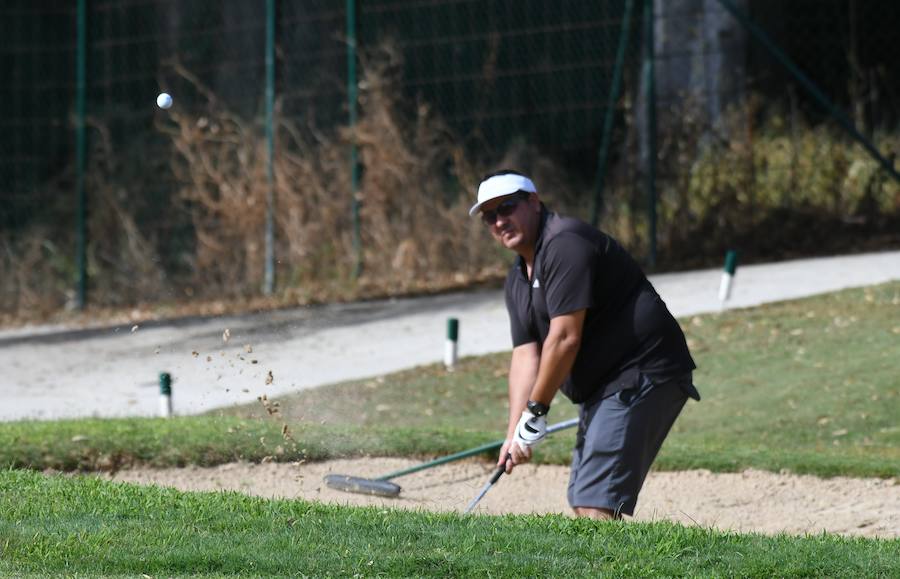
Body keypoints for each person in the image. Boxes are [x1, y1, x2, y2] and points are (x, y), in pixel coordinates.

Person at [470, 169, 700, 520]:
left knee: (597, 502)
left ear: (533, 202)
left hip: (641, 370)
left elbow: (564, 338)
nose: (500, 221)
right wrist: (515, 432)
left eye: (507, 208)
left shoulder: (565, 243)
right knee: (583, 498)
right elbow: (525, 355)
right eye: (490, 216)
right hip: (607, 383)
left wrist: (537, 411)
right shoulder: (518, 277)